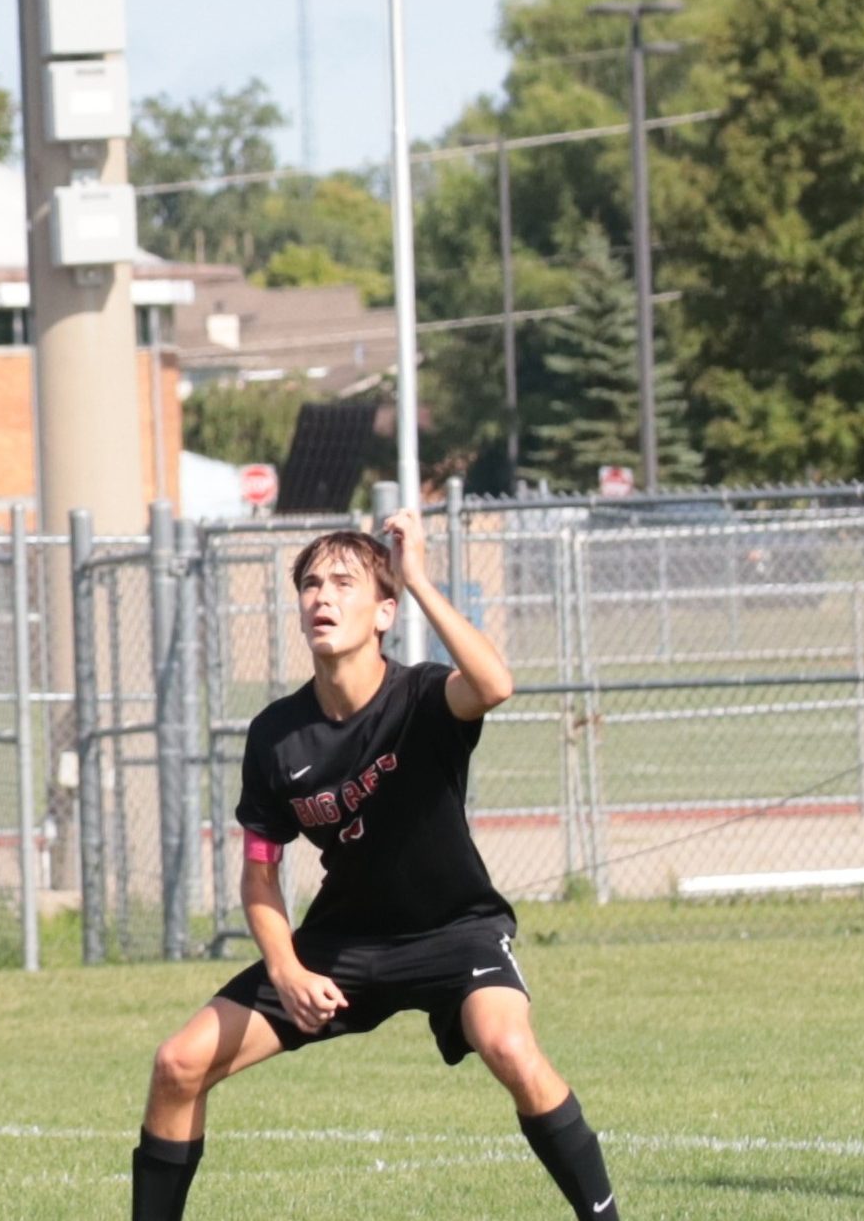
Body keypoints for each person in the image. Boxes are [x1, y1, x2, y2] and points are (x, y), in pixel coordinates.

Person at [130, 511, 620, 1221]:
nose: (320, 595)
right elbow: (261, 874)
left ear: (384, 610)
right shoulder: (276, 734)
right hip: (345, 946)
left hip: (455, 932)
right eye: (308, 583)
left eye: (342, 581)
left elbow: (495, 683)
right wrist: (286, 969)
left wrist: (416, 574)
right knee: (178, 1063)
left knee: (509, 1045)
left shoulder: (423, 696)